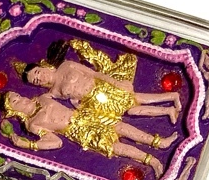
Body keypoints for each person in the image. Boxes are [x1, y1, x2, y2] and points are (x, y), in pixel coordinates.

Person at [0, 90, 177, 178]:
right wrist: (29, 144)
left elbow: (63, 91)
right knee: (116, 147)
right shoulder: (33, 124)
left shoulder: (42, 97)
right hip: (79, 132)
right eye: (15, 101)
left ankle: (159, 143)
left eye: (18, 95)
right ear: (13, 111)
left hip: (84, 115)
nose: (21, 98)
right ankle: (152, 161)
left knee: (121, 127)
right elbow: (55, 143)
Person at [19, 39, 182, 124]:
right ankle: (168, 110)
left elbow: (93, 73)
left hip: (102, 88)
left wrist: (115, 82)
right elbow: (69, 101)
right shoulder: (53, 93)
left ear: (43, 66)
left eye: (38, 72)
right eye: (36, 81)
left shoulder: (66, 65)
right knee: (132, 110)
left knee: (135, 99)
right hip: (96, 103)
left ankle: (172, 97)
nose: (40, 78)